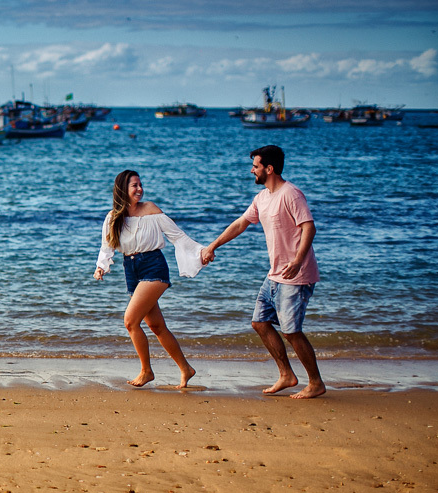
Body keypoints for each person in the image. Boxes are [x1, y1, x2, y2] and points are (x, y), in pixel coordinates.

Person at [200, 145, 325, 399]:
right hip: (274, 275)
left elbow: (309, 228)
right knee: (259, 323)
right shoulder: (262, 198)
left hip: (295, 275)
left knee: (291, 331)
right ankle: (286, 375)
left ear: (269, 169)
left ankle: (316, 383)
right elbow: (240, 224)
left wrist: (299, 260)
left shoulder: (291, 194)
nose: (252, 170)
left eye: (255, 166)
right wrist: (213, 245)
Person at [94, 170, 205, 388]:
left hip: (154, 266)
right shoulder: (113, 217)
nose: (139, 189)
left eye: (140, 185)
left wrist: (201, 252)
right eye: (134, 185)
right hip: (131, 270)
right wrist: (101, 266)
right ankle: (186, 369)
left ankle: (146, 372)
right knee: (156, 325)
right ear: (122, 189)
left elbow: (177, 236)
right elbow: (107, 245)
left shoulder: (151, 210)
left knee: (130, 321)